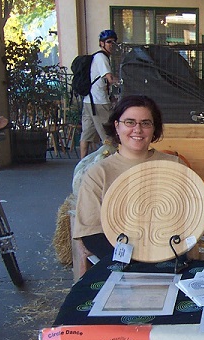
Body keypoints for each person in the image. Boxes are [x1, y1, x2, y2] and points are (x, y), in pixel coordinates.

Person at [73, 95, 179, 259]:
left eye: (145, 123)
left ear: (154, 128)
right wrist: (133, 259)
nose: (138, 129)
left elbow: (189, 219)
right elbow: (91, 234)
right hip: (119, 259)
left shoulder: (174, 165)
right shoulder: (98, 173)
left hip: (170, 255)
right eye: (130, 122)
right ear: (116, 126)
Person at [79, 29, 119, 159]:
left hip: (88, 100)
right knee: (108, 135)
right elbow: (110, 78)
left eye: (114, 42)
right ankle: (108, 162)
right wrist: (123, 81)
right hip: (99, 102)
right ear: (101, 43)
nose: (111, 45)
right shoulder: (102, 57)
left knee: (87, 134)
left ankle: (82, 163)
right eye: (109, 42)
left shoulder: (97, 57)